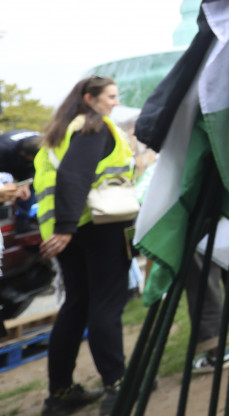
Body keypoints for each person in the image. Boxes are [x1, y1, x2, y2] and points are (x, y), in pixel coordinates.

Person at [32, 76, 134, 416]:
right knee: (106, 305)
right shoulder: (93, 127)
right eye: (110, 97)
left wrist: (62, 230)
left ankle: (60, 393)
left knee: (76, 305)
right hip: (96, 226)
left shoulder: (57, 134)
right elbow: (74, 176)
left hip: (70, 233)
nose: (115, 103)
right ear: (90, 99)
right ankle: (117, 386)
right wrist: (66, 228)